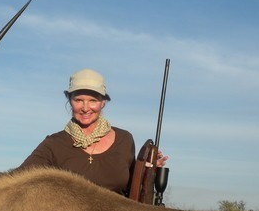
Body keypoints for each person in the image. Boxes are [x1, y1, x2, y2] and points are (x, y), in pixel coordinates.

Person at [20, 68, 168, 196]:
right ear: (69, 100)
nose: (85, 108)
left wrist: (145, 173)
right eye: (78, 100)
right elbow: (18, 178)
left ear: (103, 102)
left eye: (93, 100)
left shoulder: (125, 139)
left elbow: (130, 186)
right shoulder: (53, 144)